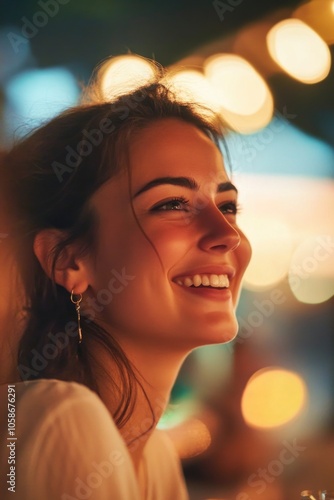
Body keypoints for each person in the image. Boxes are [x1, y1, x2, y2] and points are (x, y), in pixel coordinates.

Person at [0, 73, 251, 499]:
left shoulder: (152, 454)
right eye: (171, 203)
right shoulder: (62, 417)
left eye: (228, 206)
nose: (226, 234)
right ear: (70, 261)